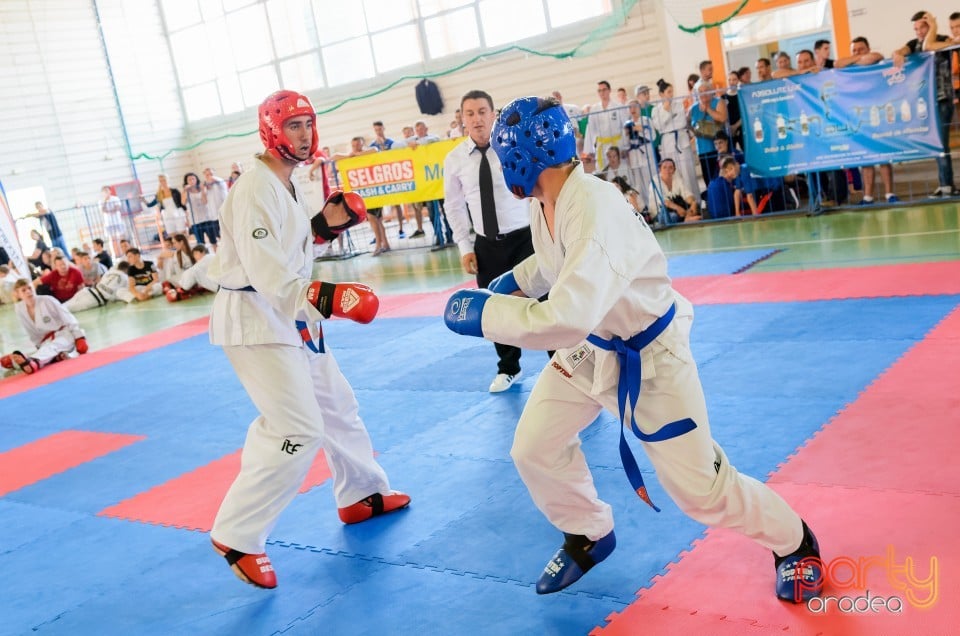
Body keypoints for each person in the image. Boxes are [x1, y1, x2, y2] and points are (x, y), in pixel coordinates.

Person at [442, 95, 823, 602]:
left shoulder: (594, 207)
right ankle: (588, 531)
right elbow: (557, 263)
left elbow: (564, 317)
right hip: (593, 347)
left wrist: (485, 315)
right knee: (533, 445)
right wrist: (512, 280)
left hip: (650, 356)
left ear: (520, 159)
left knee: (702, 492)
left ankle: (795, 542)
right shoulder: (548, 199)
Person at [206, 90, 409, 590]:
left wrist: (323, 226)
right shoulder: (254, 187)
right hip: (258, 318)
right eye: (293, 125)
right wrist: (334, 297)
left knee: (338, 406)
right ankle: (238, 533)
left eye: (307, 124)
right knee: (295, 427)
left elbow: (287, 247)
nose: (303, 134)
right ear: (272, 130)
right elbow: (268, 272)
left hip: (294, 317)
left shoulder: (286, 182)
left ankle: (360, 492)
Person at [443, 89, 536, 393]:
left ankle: (566, 363)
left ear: (493, 114)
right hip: (486, 244)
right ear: (462, 119)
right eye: (469, 113)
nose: (477, 118)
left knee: (548, 299)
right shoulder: (455, 159)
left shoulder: (511, 146)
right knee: (495, 308)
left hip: (525, 237)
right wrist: (465, 247)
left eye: (482, 111)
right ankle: (509, 367)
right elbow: (454, 206)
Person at [893, 10, 958, 197]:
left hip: (943, 99)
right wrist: (898, 52)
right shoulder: (915, 44)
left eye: (922, 27)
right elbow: (903, 49)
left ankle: (947, 185)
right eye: (916, 29)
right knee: (937, 144)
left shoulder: (943, 39)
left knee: (941, 143)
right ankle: (945, 183)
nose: (919, 32)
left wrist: (934, 27)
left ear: (929, 25)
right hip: (925, 102)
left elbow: (931, 46)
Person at [836, 37, 900, 205]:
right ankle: (868, 196)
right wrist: (858, 58)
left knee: (884, 156)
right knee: (866, 158)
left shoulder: (874, 59)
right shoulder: (850, 66)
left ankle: (890, 194)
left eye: (861, 49)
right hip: (860, 117)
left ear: (868, 48)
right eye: (854, 50)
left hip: (879, 114)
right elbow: (837, 64)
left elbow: (875, 56)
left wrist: (863, 57)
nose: (857, 52)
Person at [0, 279, 88, 375]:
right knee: (46, 349)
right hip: (45, 341)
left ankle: (34, 363)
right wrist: (39, 346)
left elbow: (68, 317)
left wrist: (79, 337)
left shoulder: (48, 300)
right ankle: (53, 358)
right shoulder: (20, 309)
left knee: (53, 347)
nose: (28, 291)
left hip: (65, 334)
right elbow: (31, 332)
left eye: (30, 288)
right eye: (23, 290)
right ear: (17, 294)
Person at [65, 261, 132, 311]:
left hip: (88, 290)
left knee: (63, 306)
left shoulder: (109, 272)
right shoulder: (126, 279)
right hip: (95, 299)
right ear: (127, 270)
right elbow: (124, 293)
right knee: (66, 310)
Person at [100, 186, 125, 258]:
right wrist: (105, 201)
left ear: (110, 191)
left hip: (117, 221)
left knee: (120, 237)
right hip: (108, 223)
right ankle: (115, 254)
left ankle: (123, 252)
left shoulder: (115, 198)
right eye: (104, 191)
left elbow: (117, 207)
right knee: (112, 239)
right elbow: (103, 210)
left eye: (107, 191)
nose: (106, 192)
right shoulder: (102, 201)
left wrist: (109, 211)